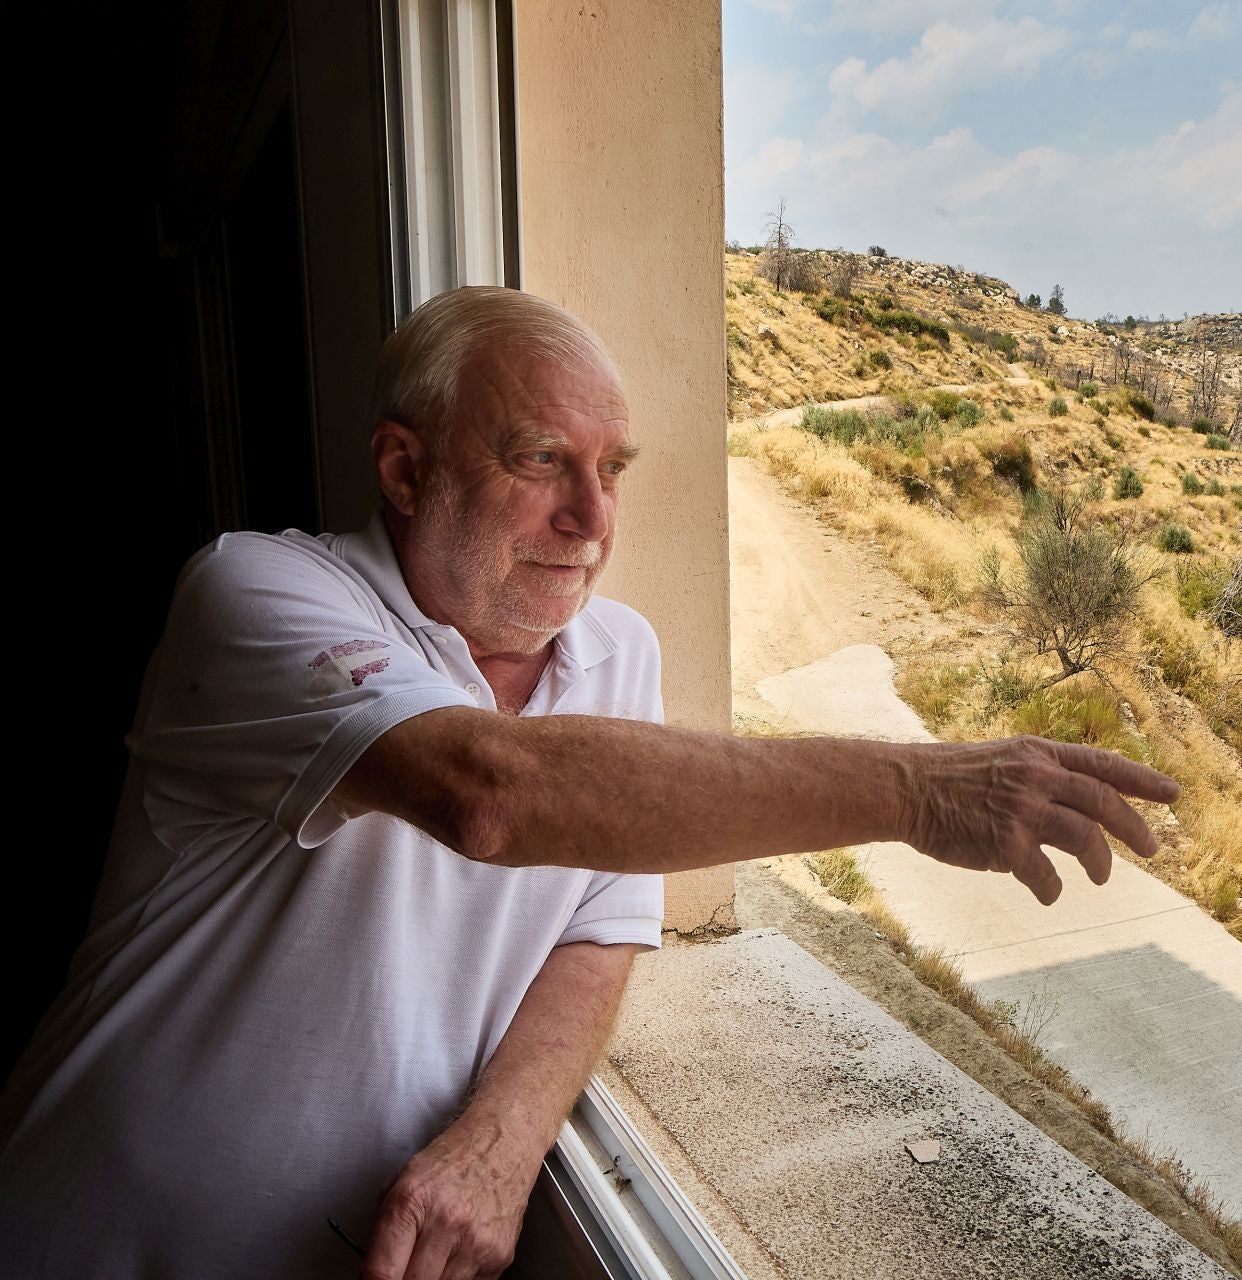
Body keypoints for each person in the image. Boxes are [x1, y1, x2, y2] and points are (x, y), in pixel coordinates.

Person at [0, 286, 1177, 1279]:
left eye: (613, 466)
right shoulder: (254, 591)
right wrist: (919, 791)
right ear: (405, 470)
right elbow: (489, 791)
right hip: (95, 1237)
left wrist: (505, 1140)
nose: (594, 517)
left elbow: (599, 922)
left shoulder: (621, 655)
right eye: (542, 460)